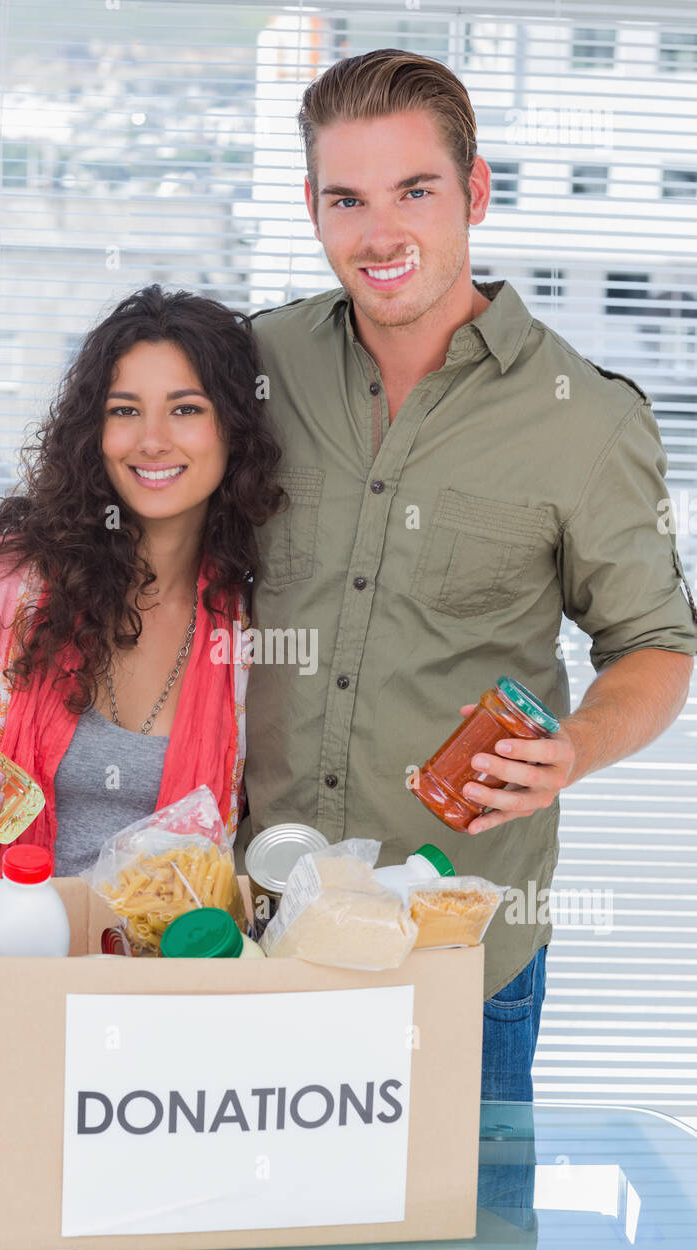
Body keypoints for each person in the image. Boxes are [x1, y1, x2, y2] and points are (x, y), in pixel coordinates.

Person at [238, 49, 697, 1101]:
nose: (379, 232)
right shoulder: (250, 369)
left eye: (414, 191)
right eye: (346, 198)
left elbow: (656, 645)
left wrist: (572, 747)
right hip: (243, 933)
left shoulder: (585, 421)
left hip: (454, 951)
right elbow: (121, 525)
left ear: (474, 192)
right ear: (311, 209)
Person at [0, 285, 284, 1096]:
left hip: (152, 1044)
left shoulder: (254, 618)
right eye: (125, 410)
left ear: (234, 428)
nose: (151, 439)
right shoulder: (3, 583)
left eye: (186, 409)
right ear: (94, 429)